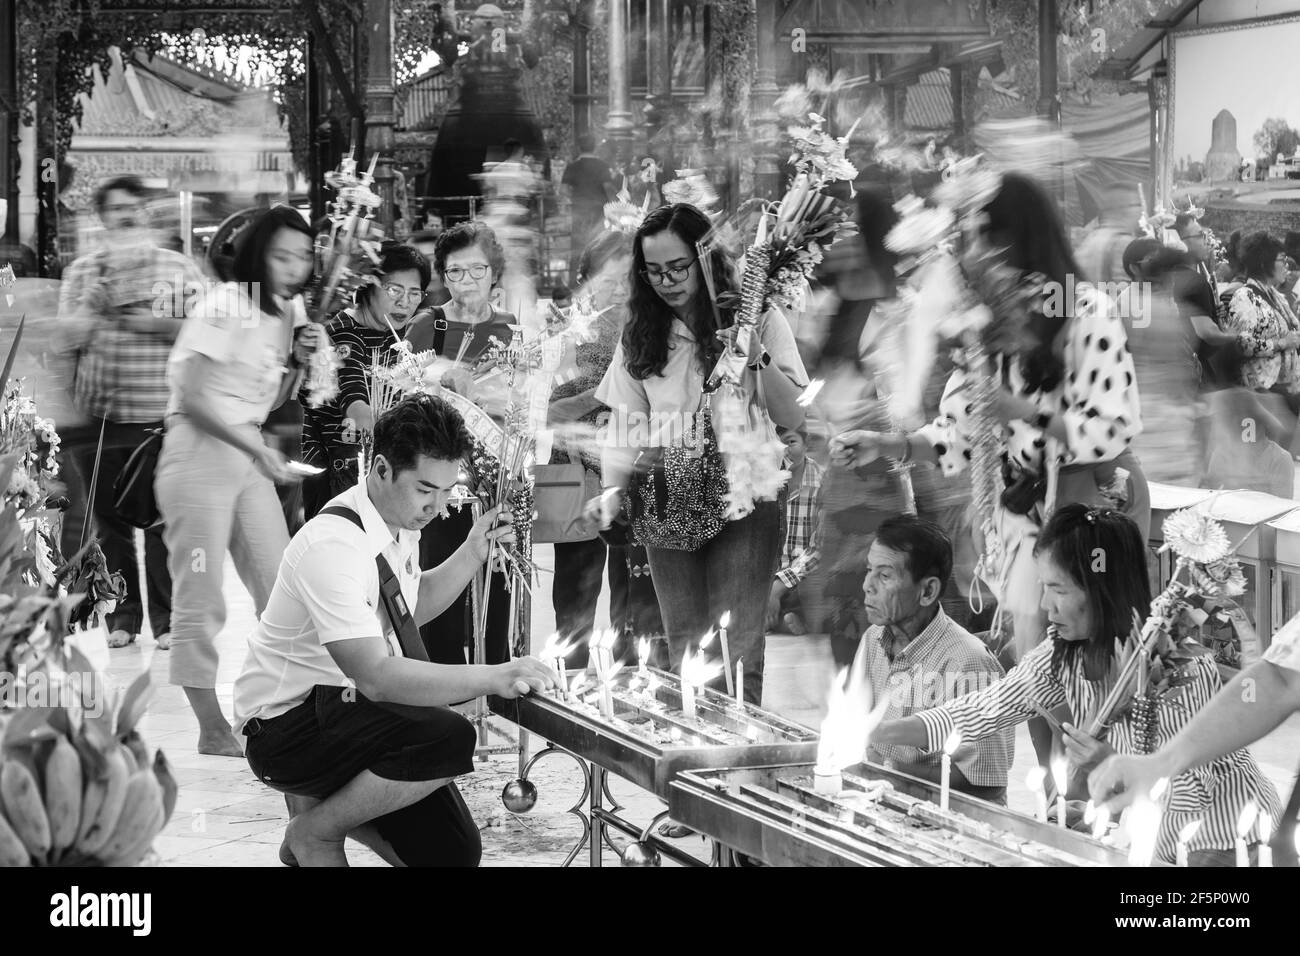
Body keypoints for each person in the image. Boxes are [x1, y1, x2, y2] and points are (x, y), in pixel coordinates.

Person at [832, 173, 1149, 780]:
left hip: (1087, 511)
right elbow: (957, 432)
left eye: (985, 235)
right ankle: (1061, 788)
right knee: (1034, 653)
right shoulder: (982, 326)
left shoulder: (1085, 310)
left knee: (1093, 657)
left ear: (1019, 239)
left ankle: (1103, 790)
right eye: (968, 236)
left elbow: (1114, 426)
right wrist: (888, 444)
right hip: (1028, 516)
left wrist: (1026, 410)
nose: (973, 251)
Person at [235, 395, 556, 867]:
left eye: (448, 490)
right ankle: (316, 832)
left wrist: (471, 552)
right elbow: (377, 676)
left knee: (452, 854)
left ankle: (322, 814)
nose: (438, 505)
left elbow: (407, 605)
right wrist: (493, 676)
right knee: (447, 736)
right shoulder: (334, 545)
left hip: (348, 707)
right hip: (285, 725)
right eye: (426, 489)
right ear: (382, 469)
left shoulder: (397, 519)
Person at [870, 505, 1282, 865]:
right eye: (1043, 588)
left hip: (1227, 840)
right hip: (1153, 840)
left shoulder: (1177, 667)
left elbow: (1189, 790)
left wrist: (1108, 762)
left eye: (1057, 589)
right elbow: (985, 708)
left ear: (1100, 589)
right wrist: (882, 730)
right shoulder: (1061, 652)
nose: (1045, 605)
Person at [591, 202, 808, 704]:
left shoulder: (759, 317)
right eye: (654, 271)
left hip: (745, 493)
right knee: (684, 644)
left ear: (705, 258)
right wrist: (610, 492)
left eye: (677, 267)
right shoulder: (641, 332)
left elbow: (793, 414)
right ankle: (691, 766)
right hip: (668, 495)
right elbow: (625, 425)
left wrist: (756, 354)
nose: (667, 282)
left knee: (736, 647)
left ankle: (734, 769)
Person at [155, 205, 327, 756]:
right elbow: (193, 396)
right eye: (282, 256)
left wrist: (297, 363)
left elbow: (266, 401)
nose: (294, 267)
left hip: (247, 455)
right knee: (200, 594)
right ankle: (209, 726)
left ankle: (274, 707)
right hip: (198, 455)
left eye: (303, 257)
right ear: (257, 253)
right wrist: (254, 446)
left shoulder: (287, 310)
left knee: (281, 585)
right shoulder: (225, 303)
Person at [54, 174, 205, 649]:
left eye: (132, 208)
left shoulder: (177, 269)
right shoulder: (82, 272)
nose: (124, 216)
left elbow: (205, 332)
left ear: (145, 214)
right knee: (110, 525)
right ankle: (123, 618)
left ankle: (169, 620)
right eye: (114, 209)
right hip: (98, 417)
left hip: (163, 418)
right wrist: (93, 311)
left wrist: (150, 321)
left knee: (164, 522)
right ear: (101, 217)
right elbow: (64, 341)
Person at [1090, 610, 1300, 859]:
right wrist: (1161, 764)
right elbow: (1279, 679)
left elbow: (1194, 791)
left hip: (1224, 840)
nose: (1047, 604)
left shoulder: (1182, 662)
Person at [405, 223, 517, 665]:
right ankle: (445, 692)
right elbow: (402, 406)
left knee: (498, 586)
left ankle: (498, 691)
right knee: (442, 588)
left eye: (477, 270)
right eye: (455, 272)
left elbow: (525, 407)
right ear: (442, 276)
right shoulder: (425, 327)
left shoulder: (512, 330)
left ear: (495, 272)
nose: (467, 282)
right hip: (443, 486)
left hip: (499, 484)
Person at [547, 229, 660, 664]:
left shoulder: (651, 328)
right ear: (586, 278)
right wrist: (601, 394)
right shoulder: (564, 332)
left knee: (632, 597)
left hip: (631, 472)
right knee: (574, 596)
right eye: (604, 277)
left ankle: (630, 692)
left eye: (625, 276)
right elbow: (544, 407)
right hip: (573, 473)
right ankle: (566, 692)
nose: (615, 287)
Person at [851, 515, 1011, 803]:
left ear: (927, 591)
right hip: (886, 803)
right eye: (869, 570)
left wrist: (890, 772)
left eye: (884, 576)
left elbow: (988, 785)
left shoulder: (968, 662)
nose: (867, 585)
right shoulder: (873, 639)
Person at [300, 243, 432, 520]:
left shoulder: (389, 334)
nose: (404, 302)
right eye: (394, 290)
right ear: (368, 286)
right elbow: (356, 406)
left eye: (414, 293)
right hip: (337, 479)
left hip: (370, 471)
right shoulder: (344, 335)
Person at [1223, 231, 1300, 394]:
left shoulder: (1276, 295)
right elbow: (1241, 343)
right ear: (1265, 264)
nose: (1286, 266)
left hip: (1284, 388)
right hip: (1261, 393)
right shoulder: (1244, 297)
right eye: (1282, 260)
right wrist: (1281, 344)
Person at [767, 424, 823, 636]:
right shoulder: (763, 483)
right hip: (770, 577)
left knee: (815, 592)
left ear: (807, 443)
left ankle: (786, 618)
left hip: (803, 576)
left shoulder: (822, 483)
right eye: (777, 443)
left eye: (791, 441)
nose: (784, 450)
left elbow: (820, 549)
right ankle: (778, 619)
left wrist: (779, 586)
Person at [562, 134, 615, 279]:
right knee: (598, 244)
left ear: (579, 148)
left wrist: (574, 200)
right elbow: (608, 188)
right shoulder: (602, 166)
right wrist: (615, 206)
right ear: (594, 146)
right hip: (599, 212)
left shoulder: (573, 166)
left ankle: (575, 281)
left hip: (579, 212)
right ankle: (598, 278)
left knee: (578, 245)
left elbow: (564, 190)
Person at [1076, 182, 1140, 284]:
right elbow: (1129, 295)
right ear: (1123, 208)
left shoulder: (1089, 240)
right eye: (1137, 204)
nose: (1140, 210)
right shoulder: (1125, 245)